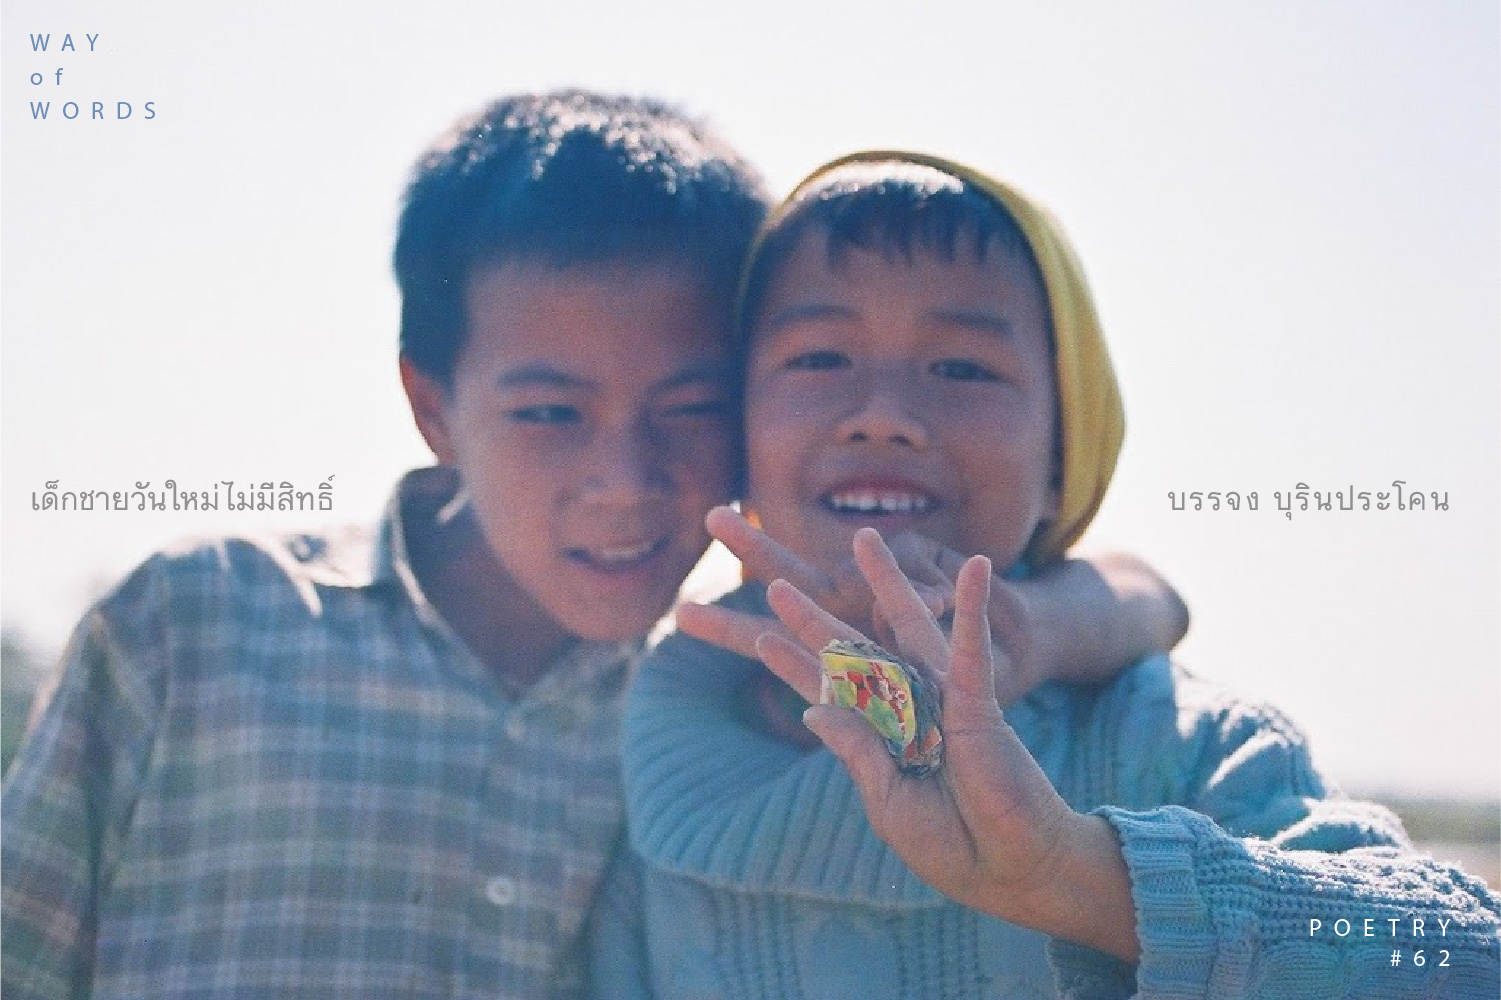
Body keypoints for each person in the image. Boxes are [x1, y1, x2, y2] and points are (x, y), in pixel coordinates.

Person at [1, 96, 1187, 1000]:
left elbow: (1142, 593)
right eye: (549, 413)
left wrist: (1043, 626)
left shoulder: (732, 692)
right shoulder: (199, 622)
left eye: (690, 406)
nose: (625, 479)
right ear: (432, 406)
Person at [589, 151, 1501, 998]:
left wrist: (1076, 876)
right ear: (736, 437)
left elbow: (1460, 953)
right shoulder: (653, 748)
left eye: (962, 366)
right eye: (818, 358)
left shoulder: (1167, 739)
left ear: (1066, 456)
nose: (882, 415)